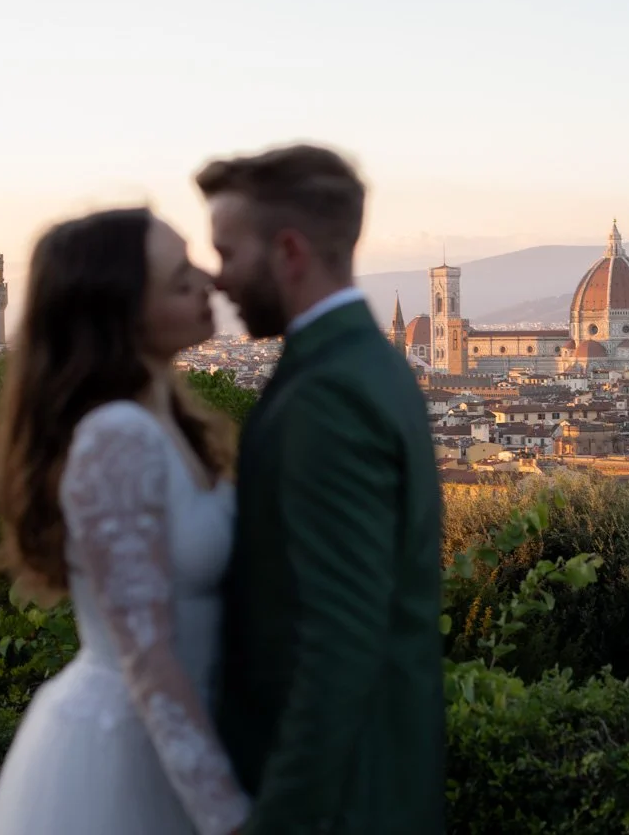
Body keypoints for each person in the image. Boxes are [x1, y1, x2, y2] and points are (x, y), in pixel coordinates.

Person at [0, 207, 252, 835]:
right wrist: (229, 817)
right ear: (122, 311)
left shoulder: (166, 422)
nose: (209, 282)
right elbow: (149, 660)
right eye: (180, 279)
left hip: (157, 747)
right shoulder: (118, 435)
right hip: (128, 761)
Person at [199, 144, 445, 834]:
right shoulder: (369, 368)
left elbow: (337, 647)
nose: (218, 278)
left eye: (227, 253)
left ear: (288, 251)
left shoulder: (327, 394)